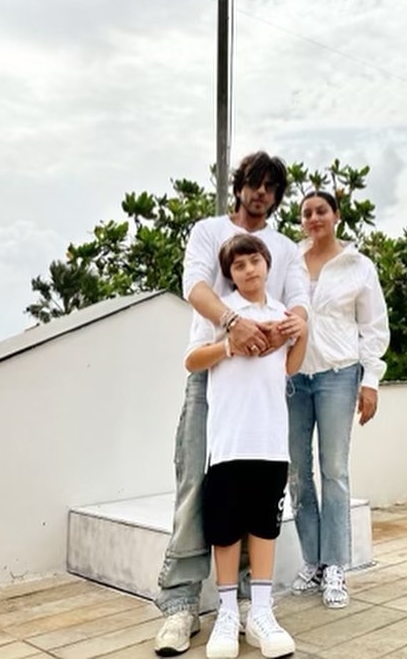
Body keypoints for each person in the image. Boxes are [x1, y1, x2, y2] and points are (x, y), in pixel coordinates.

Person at [154, 152, 308, 657]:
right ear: (238, 186)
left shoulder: (285, 247)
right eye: (253, 183)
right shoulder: (207, 230)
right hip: (213, 372)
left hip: (263, 386)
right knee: (197, 485)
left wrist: (295, 325)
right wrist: (231, 325)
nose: (260, 192)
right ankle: (180, 603)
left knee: (256, 493)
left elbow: (298, 300)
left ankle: (245, 604)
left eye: (270, 186)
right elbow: (194, 286)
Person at [186, 234, 307, 659]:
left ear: (267, 264)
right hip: (229, 441)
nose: (249, 270)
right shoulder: (221, 312)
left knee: (264, 527)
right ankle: (225, 614)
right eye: (239, 266)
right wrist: (228, 344)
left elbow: (289, 367)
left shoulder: (282, 314)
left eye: (255, 261)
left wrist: (302, 332)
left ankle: (260, 612)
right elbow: (191, 360)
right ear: (230, 274)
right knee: (225, 529)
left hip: (270, 441)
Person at [287, 190, 390, 609]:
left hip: (338, 376)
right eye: (306, 213)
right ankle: (312, 559)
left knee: (333, 470)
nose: (313, 218)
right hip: (293, 380)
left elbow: (374, 327)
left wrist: (371, 381)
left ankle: (335, 567)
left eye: (321, 211)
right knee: (297, 472)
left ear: (336, 216)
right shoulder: (288, 262)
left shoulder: (358, 266)